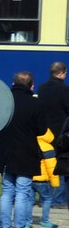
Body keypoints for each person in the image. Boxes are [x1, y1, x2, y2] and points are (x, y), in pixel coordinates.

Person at [0, 71, 49, 228]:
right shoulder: (36, 103)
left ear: (13, 83)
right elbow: (41, 130)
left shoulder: (5, 102)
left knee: (6, 193)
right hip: (26, 154)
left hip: (6, 153)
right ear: (31, 86)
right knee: (22, 193)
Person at [37, 62, 69, 210]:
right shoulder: (64, 89)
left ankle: (46, 198)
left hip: (45, 133)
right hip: (60, 133)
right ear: (62, 73)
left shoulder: (42, 89)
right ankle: (58, 199)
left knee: (46, 164)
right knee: (59, 165)